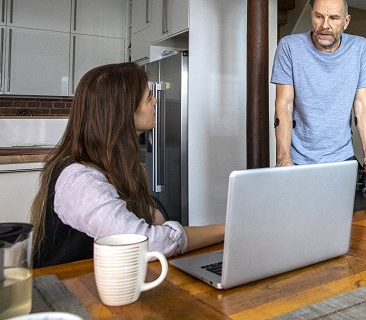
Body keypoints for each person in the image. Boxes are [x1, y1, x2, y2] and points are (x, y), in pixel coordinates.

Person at [30, 62, 225, 268]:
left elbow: (137, 220)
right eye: (149, 96)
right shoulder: (79, 179)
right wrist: (225, 230)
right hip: (67, 292)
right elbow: (142, 244)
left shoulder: (113, 163)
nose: (156, 99)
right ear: (123, 110)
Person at [271, 0, 366, 176]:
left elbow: (362, 104)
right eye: (319, 16)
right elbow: (284, 104)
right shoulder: (290, 46)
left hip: (342, 157)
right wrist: (284, 159)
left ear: (346, 22)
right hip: (299, 159)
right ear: (312, 16)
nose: (325, 25)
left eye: (333, 18)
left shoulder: (360, 47)